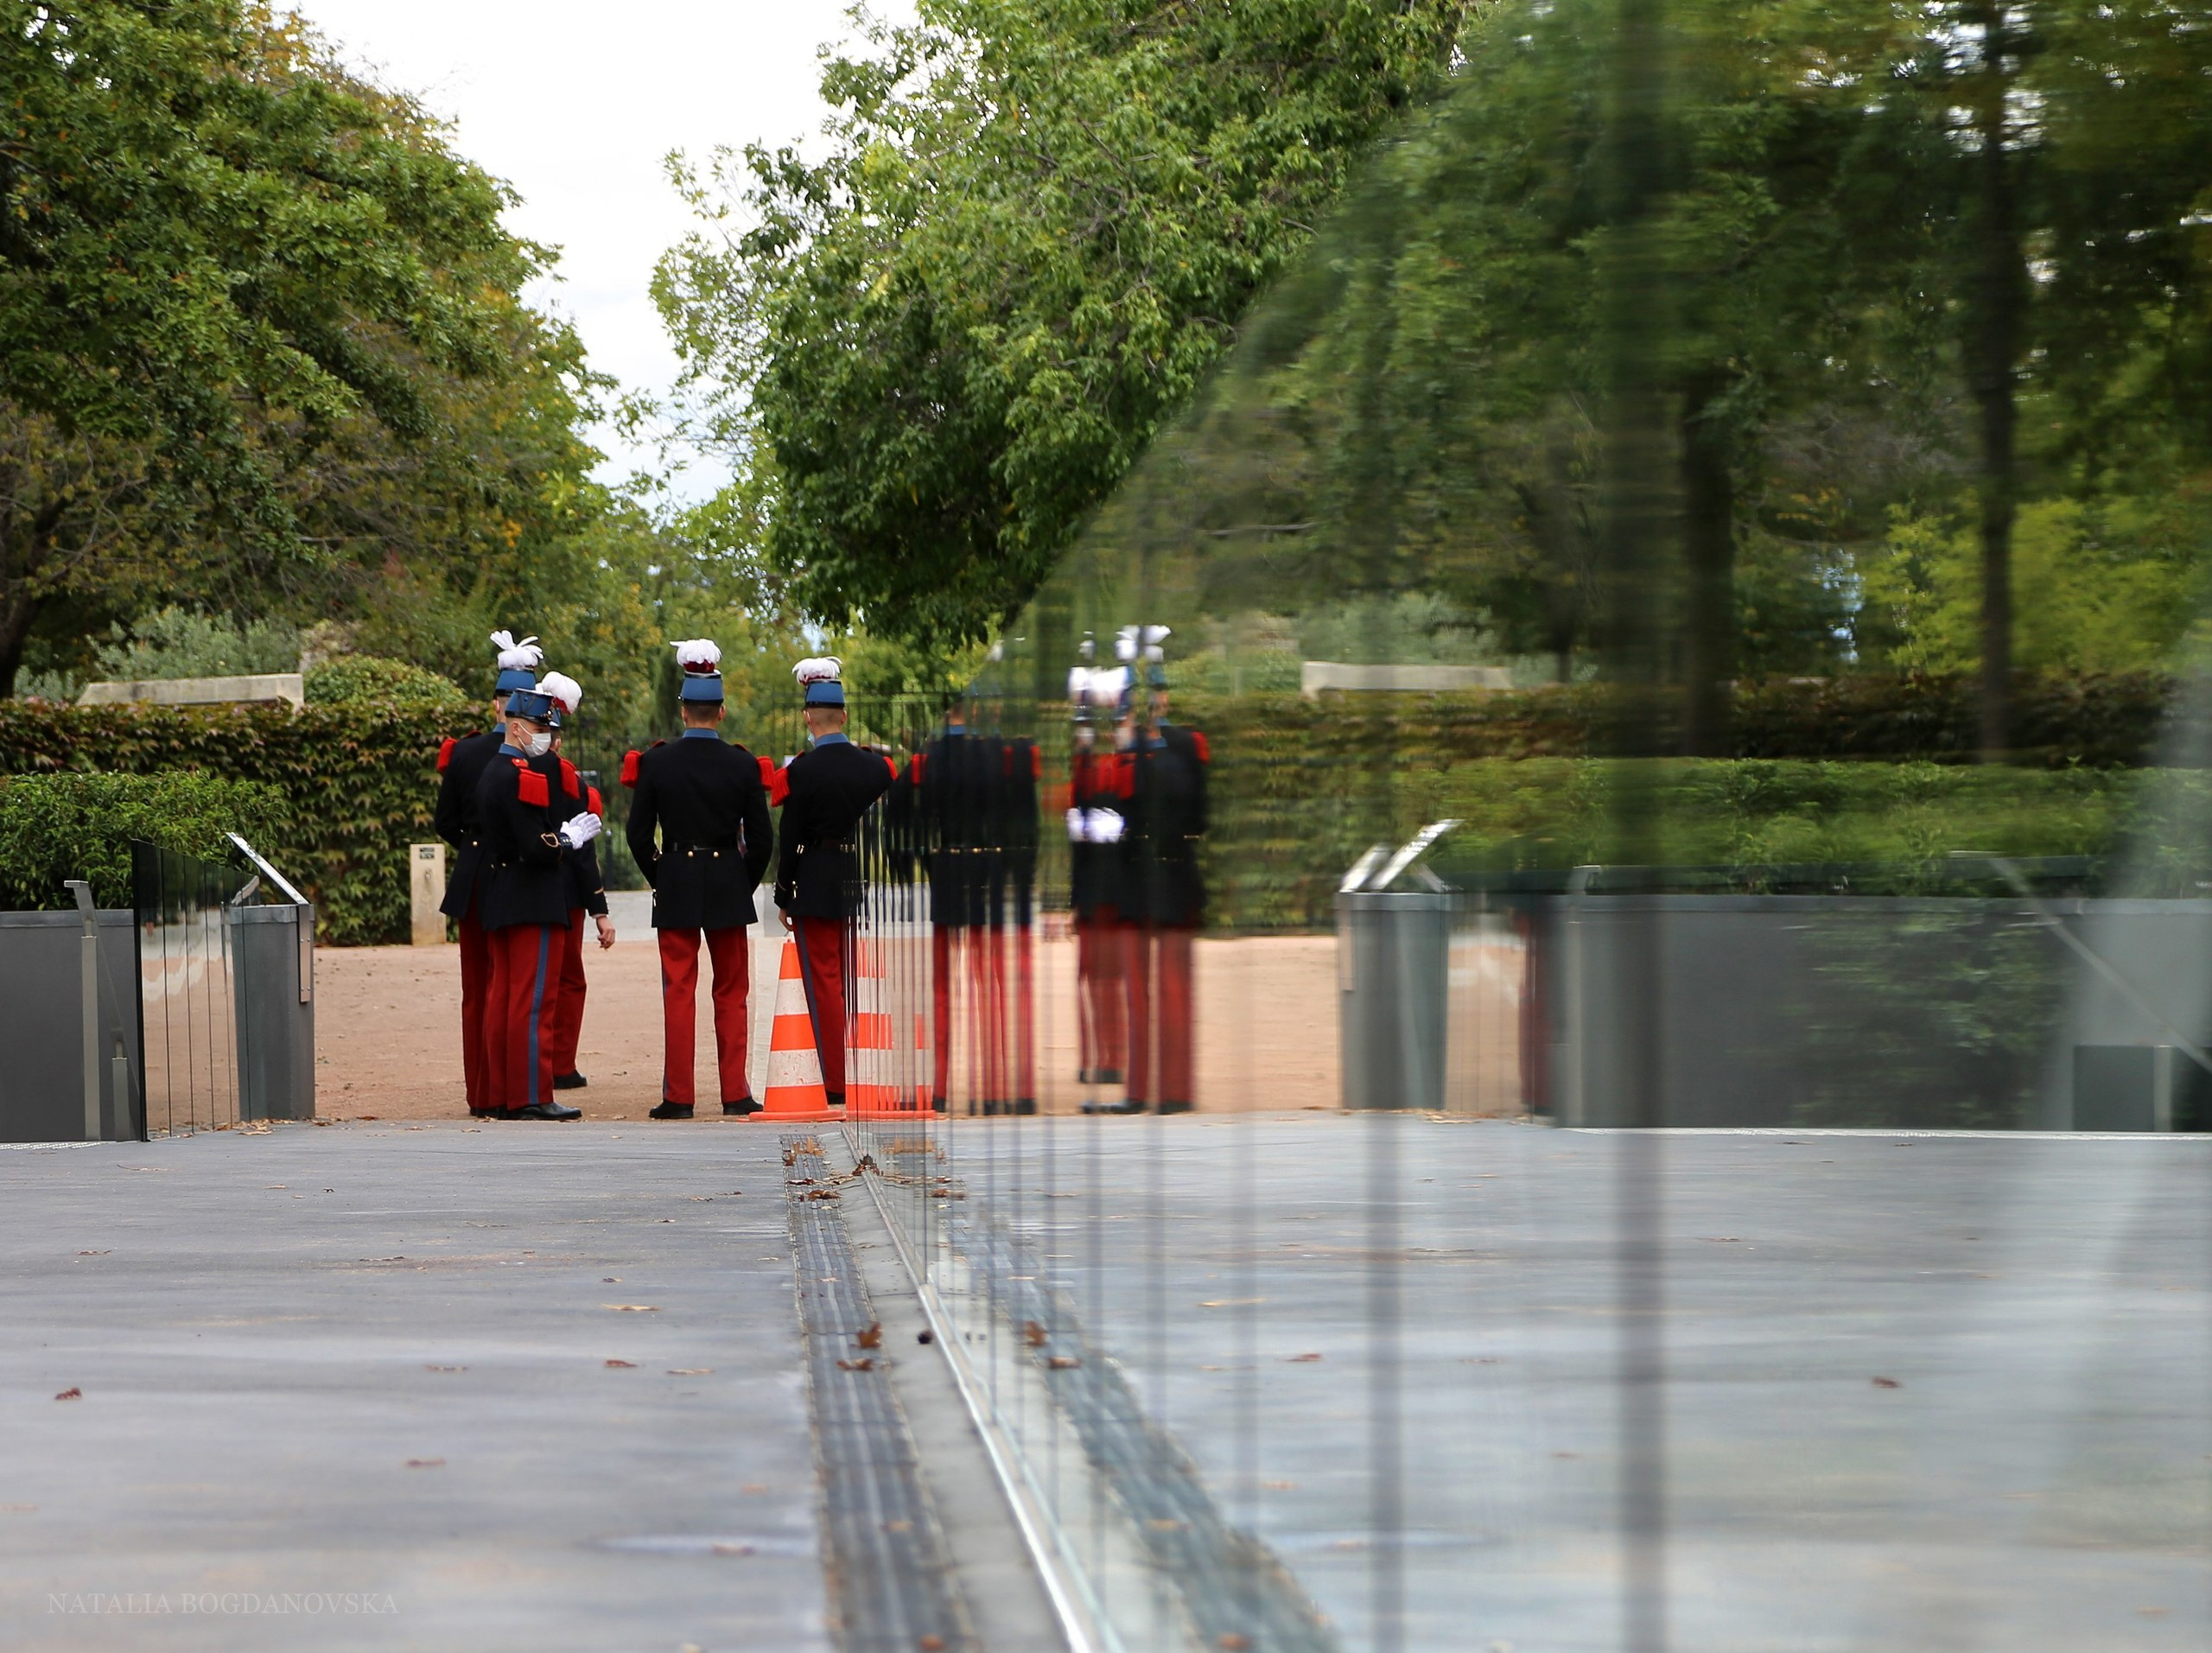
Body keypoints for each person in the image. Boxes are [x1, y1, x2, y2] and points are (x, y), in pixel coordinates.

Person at [625, 639, 774, 1121]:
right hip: (729, 880)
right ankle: (735, 1093)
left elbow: (636, 833)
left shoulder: (656, 762)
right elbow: (764, 839)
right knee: (732, 991)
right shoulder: (744, 764)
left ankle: (679, 1096)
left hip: (678, 879)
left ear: (684, 710)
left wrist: (661, 873)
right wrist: (742, 880)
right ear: (722, 711)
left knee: (679, 989)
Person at [772, 658, 894, 1109]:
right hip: (855, 876)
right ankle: (861, 1066)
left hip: (812, 877)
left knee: (822, 981)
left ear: (809, 717)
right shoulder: (875, 768)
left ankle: (835, 1079)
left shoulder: (800, 772)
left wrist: (783, 893)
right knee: (851, 979)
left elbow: (790, 837)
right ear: (844, 715)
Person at [474, 683, 599, 1120]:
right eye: (536, 725)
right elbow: (538, 846)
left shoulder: (492, 769)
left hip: (502, 893)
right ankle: (531, 1094)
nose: (542, 734)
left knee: (504, 998)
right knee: (533, 1000)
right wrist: (569, 838)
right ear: (515, 726)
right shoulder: (520, 774)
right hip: (532, 896)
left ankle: (499, 1093)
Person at [434, 629, 539, 1118]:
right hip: (515, 875)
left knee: (477, 991)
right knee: (512, 986)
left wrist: (473, 849)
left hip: (473, 875)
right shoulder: (536, 757)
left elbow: (445, 822)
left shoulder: (464, 752)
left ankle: (481, 1093)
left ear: (496, 703)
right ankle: (509, 1088)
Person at [914, 696, 1007, 1113]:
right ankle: (993, 1087)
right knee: (987, 982)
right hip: (985, 866)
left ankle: (941, 1086)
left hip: (948, 868)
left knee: (942, 987)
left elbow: (918, 827)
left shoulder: (929, 758)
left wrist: (933, 864)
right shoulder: (993, 754)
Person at [537, 672, 615, 1090]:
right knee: (567, 980)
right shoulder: (568, 779)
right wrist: (598, 907)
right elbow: (583, 851)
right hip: (563, 893)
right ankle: (558, 1064)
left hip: (505, 888)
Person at [1067, 656, 1129, 1089]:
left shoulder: (1093, 772)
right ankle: (1106, 1057)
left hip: (1102, 893)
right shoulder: (1100, 770)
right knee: (1101, 980)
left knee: (1100, 980)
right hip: (1107, 893)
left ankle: (1105, 1058)